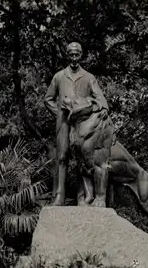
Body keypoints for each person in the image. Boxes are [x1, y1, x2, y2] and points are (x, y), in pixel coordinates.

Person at [44, 42, 110, 206]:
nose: (74, 58)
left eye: (77, 55)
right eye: (71, 55)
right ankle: (59, 196)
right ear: (67, 55)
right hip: (64, 123)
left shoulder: (89, 77)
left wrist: (101, 108)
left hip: (82, 126)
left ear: (81, 55)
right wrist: (59, 113)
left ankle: (83, 198)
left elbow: (100, 98)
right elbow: (48, 99)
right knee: (61, 157)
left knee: (83, 159)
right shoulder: (59, 76)